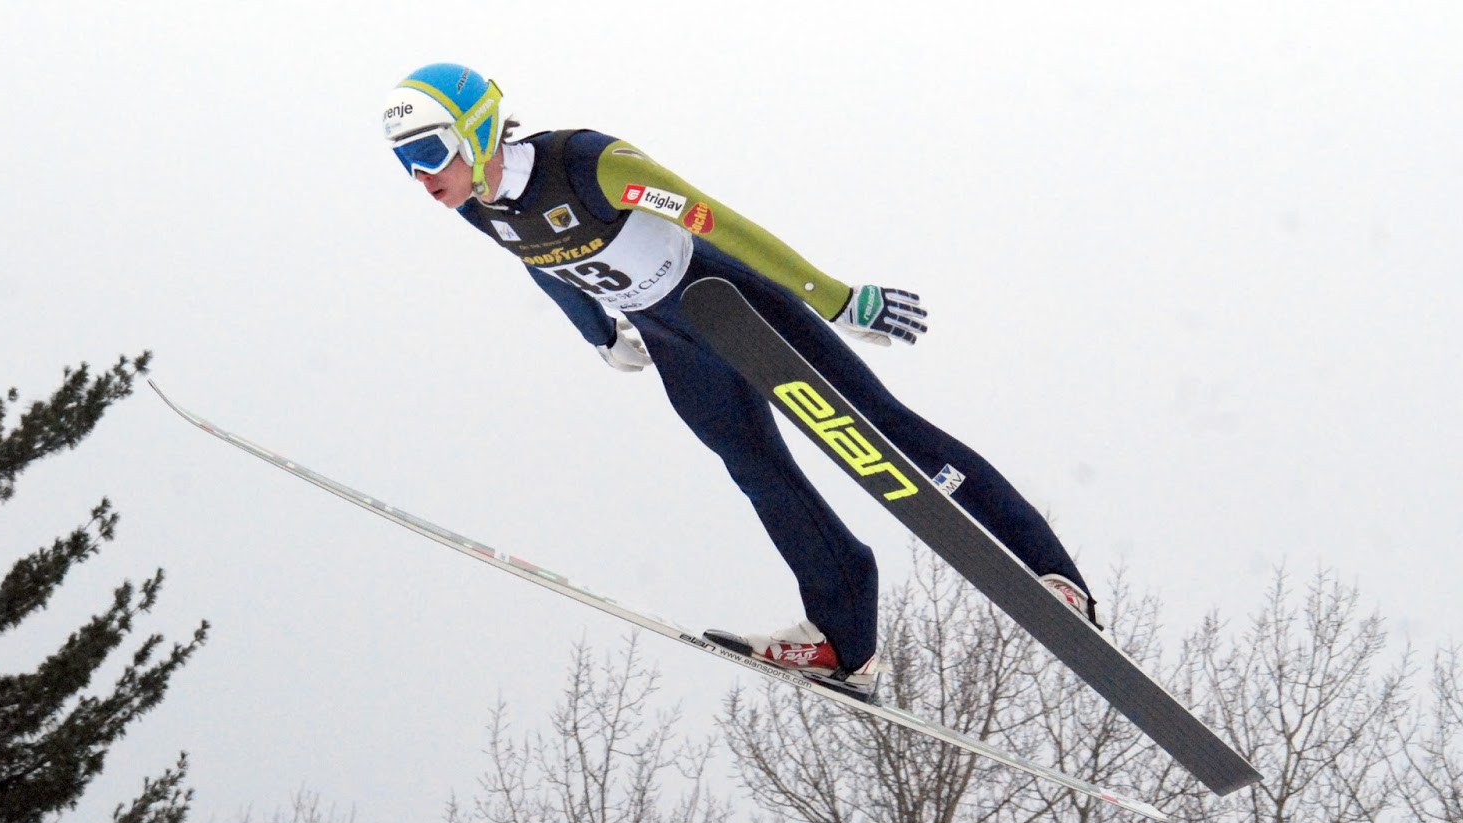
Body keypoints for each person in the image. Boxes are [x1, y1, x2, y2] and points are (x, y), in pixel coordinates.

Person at [381, 63, 1095, 701]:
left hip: (728, 299)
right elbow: (535, 259)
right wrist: (598, 334)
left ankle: (1049, 573)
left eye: (428, 152)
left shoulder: (589, 164)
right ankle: (843, 639)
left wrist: (834, 296)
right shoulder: (480, 207)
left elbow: (715, 218)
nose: (421, 175)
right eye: (404, 162)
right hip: (671, 341)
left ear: (475, 131)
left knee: (876, 436)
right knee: (758, 470)